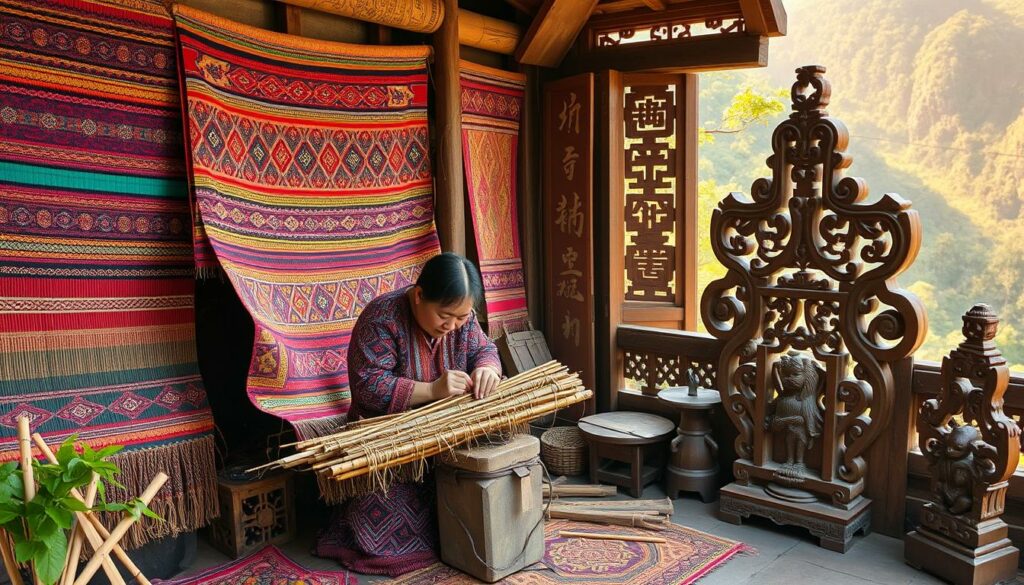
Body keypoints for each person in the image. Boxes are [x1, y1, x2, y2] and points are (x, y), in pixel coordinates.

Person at [314, 252, 502, 576]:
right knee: (387, 533)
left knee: (480, 496)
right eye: (446, 316)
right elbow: (368, 386)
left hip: (445, 433)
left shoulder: (462, 319)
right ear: (419, 296)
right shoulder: (382, 318)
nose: (453, 325)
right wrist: (431, 390)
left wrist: (487, 368)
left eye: (462, 317)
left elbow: (483, 349)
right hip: (389, 440)